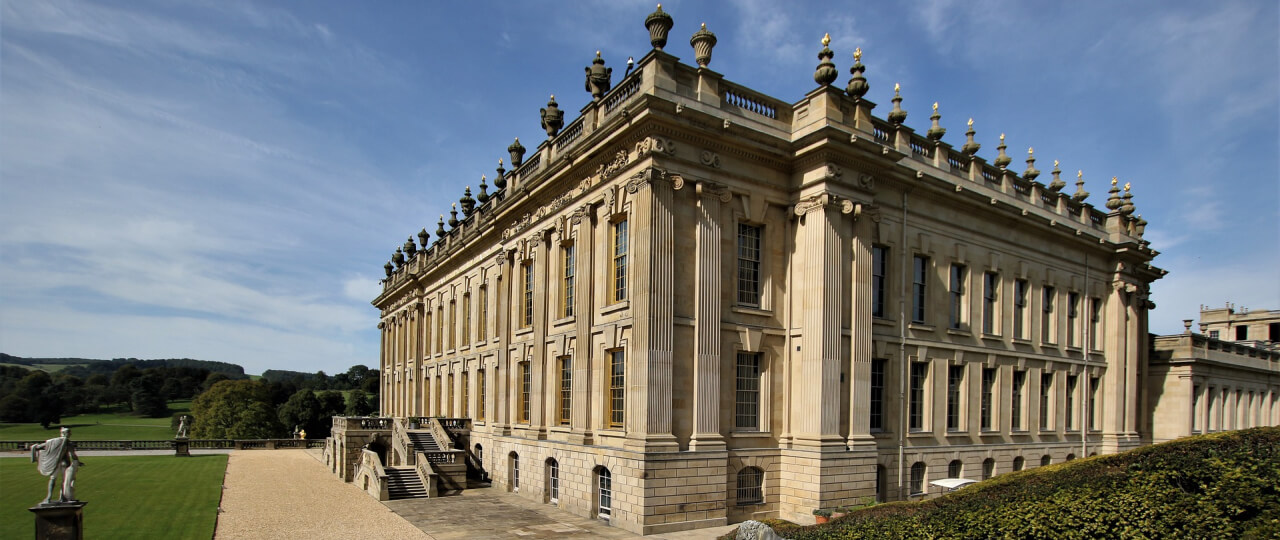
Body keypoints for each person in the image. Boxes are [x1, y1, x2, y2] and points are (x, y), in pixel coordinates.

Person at [30, 427, 84, 504]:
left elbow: (38, 447)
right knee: (63, 480)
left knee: (53, 479)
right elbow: (73, 455)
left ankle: (49, 497)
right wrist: (78, 462)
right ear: (66, 433)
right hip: (64, 463)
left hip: (55, 463)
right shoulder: (67, 442)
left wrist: (34, 448)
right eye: (69, 433)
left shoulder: (52, 441)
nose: (70, 434)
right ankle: (62, 497)